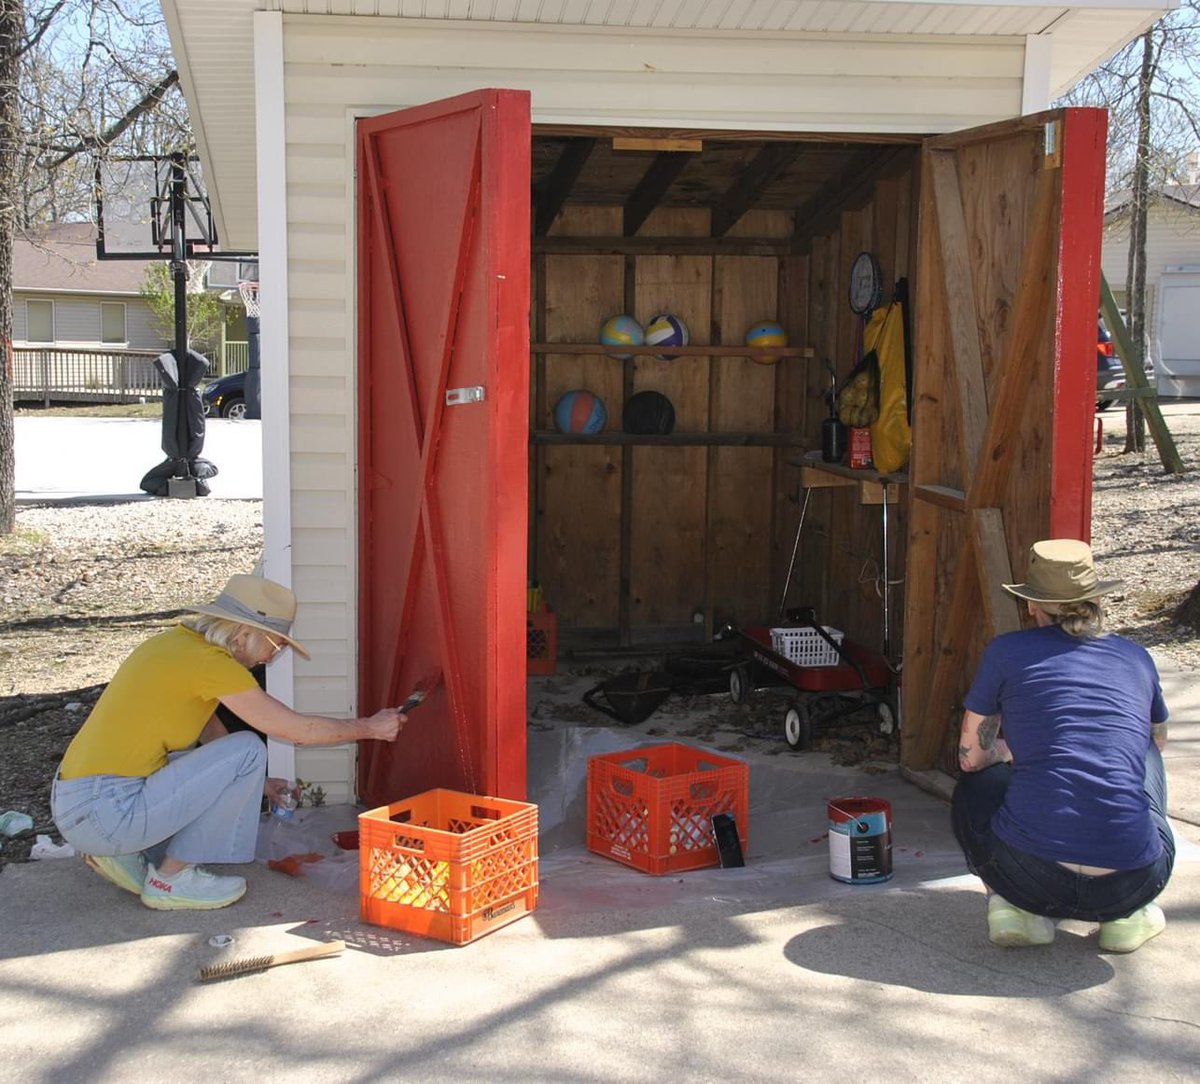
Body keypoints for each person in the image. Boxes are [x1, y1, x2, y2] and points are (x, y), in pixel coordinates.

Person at [50, 574, 407, 911]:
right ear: (245, 633)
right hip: (105, 810)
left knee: (238, 755)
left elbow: (207, 725)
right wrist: (371, 727)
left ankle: (121, 852)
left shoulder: (177, 646)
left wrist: (259, 784)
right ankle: (171, 880)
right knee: (250, 749)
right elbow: (298, 730)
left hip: (83, 801)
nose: (273, 656)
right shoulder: (211, 664)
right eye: (276, 644)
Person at [952, 539, 1174, 953]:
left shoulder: (1007, 652)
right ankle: (1127, 917)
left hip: (1030, 874)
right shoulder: (1135, 656)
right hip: (1132, 879)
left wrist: (1011, 752)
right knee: (1143, 754)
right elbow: (1156, 739)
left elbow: (971, 758)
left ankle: (1012, 909)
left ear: (1032, 605)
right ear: (1093, 600)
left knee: (975, 788)